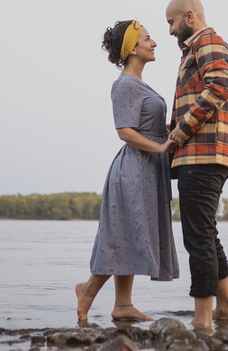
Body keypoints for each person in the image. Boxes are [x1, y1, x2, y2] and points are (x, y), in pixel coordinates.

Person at [76, 20, 180, 324]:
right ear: (132, 48)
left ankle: (123, 305)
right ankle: (88, 290)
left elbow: (147, 126)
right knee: (121, 234)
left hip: (147, 171)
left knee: (131, 235)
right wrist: (161, 148)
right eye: (148, 38)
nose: (154, 43)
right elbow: (124, 131)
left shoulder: (140, 85)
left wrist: (171, 132)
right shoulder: (123, 85)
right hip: (134, 171)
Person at [165, 0, 228, 331]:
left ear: (189, 17)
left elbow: (219, 86)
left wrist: (180, 131)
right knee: (206, 234)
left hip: (204, 153)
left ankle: (202, 318)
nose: (169, 30)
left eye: (172, 22)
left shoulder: (207, 41)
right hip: (206, 153)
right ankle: (225, 311)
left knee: (197, 237)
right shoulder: (196, 49)